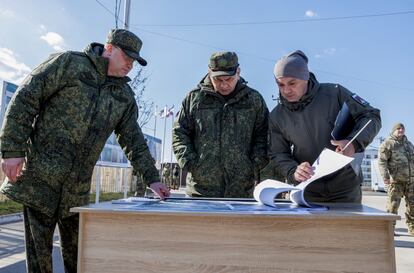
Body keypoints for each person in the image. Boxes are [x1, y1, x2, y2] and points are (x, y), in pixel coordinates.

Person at [0, 28, 170, 273]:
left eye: (135, 61)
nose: (131, 65)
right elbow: (26, 98)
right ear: (109, 48)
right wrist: (12, 149)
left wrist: (153, 179)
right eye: (127, 57)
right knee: (39, 263)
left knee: (80, 261)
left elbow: (134, 140)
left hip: (76, 193)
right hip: (40, 182)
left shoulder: (123, 96)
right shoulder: (69, 64)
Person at [269, 50, 381, 203]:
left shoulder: (335, 93)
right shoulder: (277, 116)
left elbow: (371, 116)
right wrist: (293, 171)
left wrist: (353, 143)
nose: (286, 90)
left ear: (306, 77)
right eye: (280, 84)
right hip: (307, 190)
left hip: (345, 189)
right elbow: (278, 153)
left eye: (292, 83)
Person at [172, 51, 269, 197]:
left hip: (240, 191)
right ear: (209, 72)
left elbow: (264, 134)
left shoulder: (253, 100)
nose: (224, 85)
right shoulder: (194, 99)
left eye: (229, 79)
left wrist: (253, 165)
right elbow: (179, 133)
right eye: (218, 79)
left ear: (238, 72)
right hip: (200, 191)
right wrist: (190, 163)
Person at [378, 123, 414, 235]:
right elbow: (382, 161)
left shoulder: (409, 144)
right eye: (398, 128)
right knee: (392, 206)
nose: (401, 130)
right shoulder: (388, 144)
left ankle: (412, 228)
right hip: (395, 181)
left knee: (412, 206)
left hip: (411, 181)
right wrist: (385, 177)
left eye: (402, 128)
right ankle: (389, 229)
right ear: (393, 131)